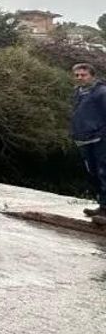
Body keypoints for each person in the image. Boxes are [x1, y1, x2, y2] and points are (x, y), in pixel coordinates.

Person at [71, 63, 106, 220]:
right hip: (85, 139)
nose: (80, 78)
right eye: (77, 75)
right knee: (93, 174)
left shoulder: (101, 92)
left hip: (101, 139)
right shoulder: (78, 92)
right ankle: (102, 206)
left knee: (103, 172)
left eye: (83, 75)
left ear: (92, 76)